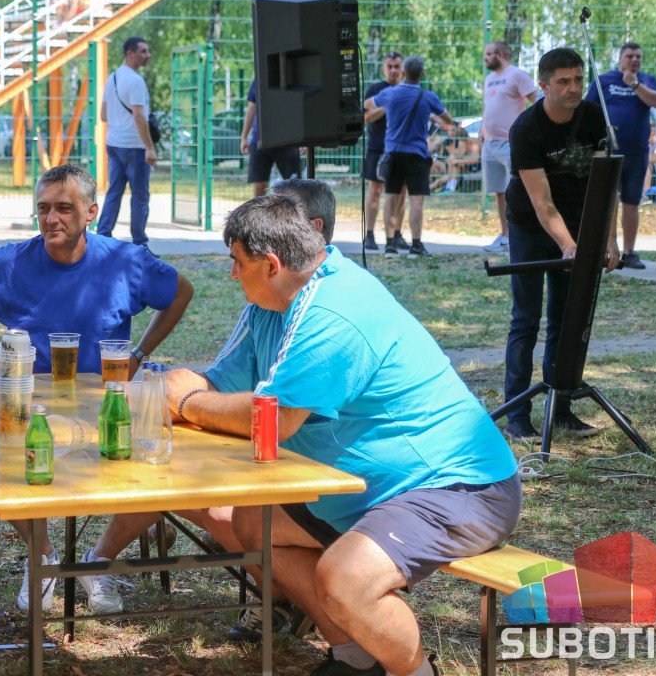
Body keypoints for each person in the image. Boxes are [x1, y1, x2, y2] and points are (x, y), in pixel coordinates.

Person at [162, 195, 520, 676]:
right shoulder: (276, 300)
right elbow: (224, 386)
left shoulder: (336, 309)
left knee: (346, 579)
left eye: (237, 262)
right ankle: (357, 659)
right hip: (375, 490)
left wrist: (186, 401)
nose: (232, 274)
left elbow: (274, 420)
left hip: (457, 488)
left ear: (271, 265)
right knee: (252, 523)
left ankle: (417, 672)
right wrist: (177, 387)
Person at [0, 164, 193, 615]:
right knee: (4, 456)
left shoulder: (125, 261)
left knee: (162, 459)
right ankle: (42, 558)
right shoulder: (8, 263)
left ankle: (100, 560)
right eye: (43, 208)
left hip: (109, 403)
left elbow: (181, 292)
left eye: (64, 208)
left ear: (91, 213)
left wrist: (139, 352)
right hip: (30, 407)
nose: (51, 219)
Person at [502, 47, 620, 441]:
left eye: (578, 79)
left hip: (578, 224)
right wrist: (571, 247)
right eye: (563, 81)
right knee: (526, 320)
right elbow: (543, 204)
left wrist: (608, 239)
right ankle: (517, 415)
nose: (573, 88)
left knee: (567, 319)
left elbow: (606, 186)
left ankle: (561, 407)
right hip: (530, 226)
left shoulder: (594, 117)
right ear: (543, 85)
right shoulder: (526, 129)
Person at [365, 56, 455, 258]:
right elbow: (448, 119)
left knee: (391, 197)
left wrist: (389, 107)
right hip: (417, 155)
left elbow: (368, 104)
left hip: (393, 154)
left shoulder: (390, 93)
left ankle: (389, 245)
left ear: (403, 72)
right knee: (416, 201)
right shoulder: (428, 97)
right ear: (422, 74)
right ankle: (416, 245)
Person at [585, 43, 656, 269]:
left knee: (631, 201)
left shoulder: (647, 80)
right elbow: (589, 110)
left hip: (637, 153)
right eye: (629, 56)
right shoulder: (604, 81)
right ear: (620, 58)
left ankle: (629, 252)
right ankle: (606, 249)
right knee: (607, 201)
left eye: (638, 56)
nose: (634, 60)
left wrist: (635, 84)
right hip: (609, 151)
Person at [98, 37, 158, 247]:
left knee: (114, 192)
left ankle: (102, 238)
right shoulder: (136, 81)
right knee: (140, 196)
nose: (147, 55)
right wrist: (150, 148)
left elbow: (103, 115)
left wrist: (119, 122)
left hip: (114, 143)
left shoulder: (112, 78)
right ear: (130, 53)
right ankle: (140, 243)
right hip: (135, 146)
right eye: (143, 51)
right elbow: (139, 117)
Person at [480, 41, 538, 253]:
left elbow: (536, 101)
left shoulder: (517, 75)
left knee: (517, 191)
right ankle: (505, 236)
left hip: (510, 143)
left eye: (489, 53)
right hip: (489, 144)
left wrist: (530, 131)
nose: (485, 58)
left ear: (502, 54)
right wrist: (482, 130)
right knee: (499, 192)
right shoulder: (489, 79)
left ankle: (521, 236)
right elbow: (489, 107)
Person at [362, 52, 408, 252]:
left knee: (401, 192)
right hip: (378, 147)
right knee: (375, 191)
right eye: (390, 66)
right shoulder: (376, 90)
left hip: (402, 149)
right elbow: (366, 117)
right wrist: (388, 106)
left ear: (403, 69)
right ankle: (369, 235)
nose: (394, 70)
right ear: (384, 68)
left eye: (397, 66)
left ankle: (396, 235)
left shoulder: (408, 90)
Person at [241, 78, 302, 197]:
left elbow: (300, 107)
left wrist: (303, 140)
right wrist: (244, 137)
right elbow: (251, 108)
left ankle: (294, 210)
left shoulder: (294, 76)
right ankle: (260, 210)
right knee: (259, 186)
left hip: (289, 140)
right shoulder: (259, 78)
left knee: (294, 188)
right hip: (260, 139)